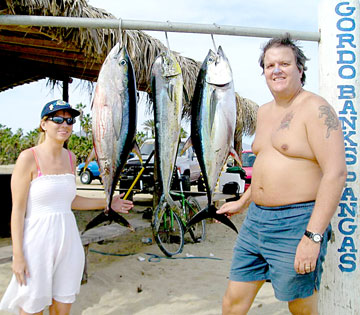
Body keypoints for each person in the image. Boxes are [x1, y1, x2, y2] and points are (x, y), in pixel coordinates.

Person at [217, 34, 347, 314]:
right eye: (269, 65)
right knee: (232, 303)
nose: (276, 70)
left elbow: (335, 174)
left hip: (296, 221)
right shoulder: (264, 112)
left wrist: (312, 238)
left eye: (284, 64)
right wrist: (243, 202)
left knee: (300, 309)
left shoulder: (316, 108)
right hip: (255, 223)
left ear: (300, 69)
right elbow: (266, 167)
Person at [0, 100, 134, 315]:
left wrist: (108, 203)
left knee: (62, 308)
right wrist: (18, 256)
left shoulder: (71, 158)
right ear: (44, 124)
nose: (65, 125)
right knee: (32, 307)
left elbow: (70, 200)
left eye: (70, 120)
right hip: (36, 245)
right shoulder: (28, 158)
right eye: (58, 119)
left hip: (69, 242)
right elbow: (17, 211)